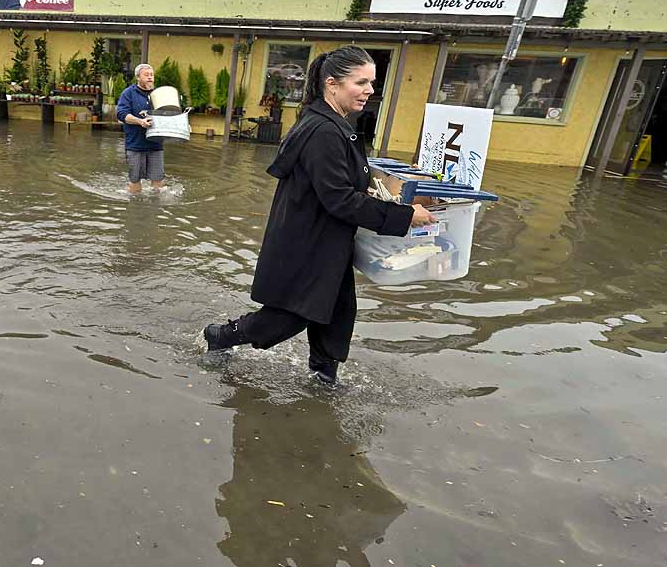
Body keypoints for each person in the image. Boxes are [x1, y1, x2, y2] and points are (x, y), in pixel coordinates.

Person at [202, 46, 436, 385]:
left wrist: (376, 192)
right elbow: (339, 200)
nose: (370, 90)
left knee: (337, 313)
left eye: (372, 82)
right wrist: (403, 216)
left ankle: (324, 378)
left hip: (327, 241)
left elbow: (336, 186)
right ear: (332, 83)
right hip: (308, 244)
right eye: (361, 82)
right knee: (286, 319)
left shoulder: (331, 123)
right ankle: (221, 336)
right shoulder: (325, 131)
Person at [116, 63, 164, 193]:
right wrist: (139, 121)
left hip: (155, 144)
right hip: (135, 144)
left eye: (152, 75)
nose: (150, 77)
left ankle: (156, 207)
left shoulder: (159, 94)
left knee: (158, 179)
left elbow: (169, 113)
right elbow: (121, 114)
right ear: (138, 77)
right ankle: (136, 207)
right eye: (146, 75)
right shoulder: (128, 93)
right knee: (135, 179)